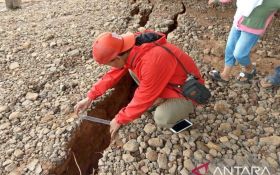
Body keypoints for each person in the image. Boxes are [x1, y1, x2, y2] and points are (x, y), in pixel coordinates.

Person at [74, 30, 204, 137]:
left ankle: (185, 124)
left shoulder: (151, 62)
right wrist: (90, 96)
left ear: (117, 58)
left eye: (109, 63)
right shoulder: (129, 46)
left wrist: (120, 119)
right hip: (167, 80)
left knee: (161, 118)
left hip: (188, 90)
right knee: (132, 71)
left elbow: (144, 96)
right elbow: (113, 75)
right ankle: (160, 98)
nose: (109, 67)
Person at [208, 0, 280, 83]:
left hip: (254, 29)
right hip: (238, 22)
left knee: (240, 54)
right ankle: (225, 75)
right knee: (230, 49)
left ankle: (250, 69)